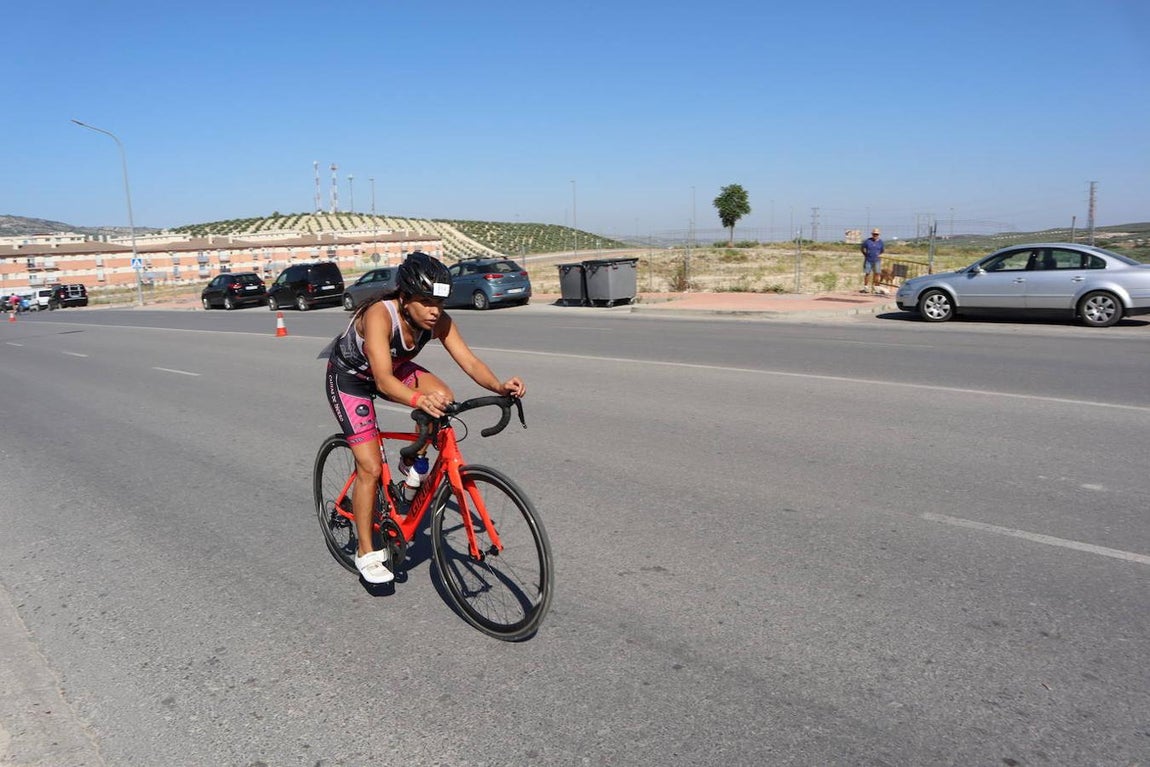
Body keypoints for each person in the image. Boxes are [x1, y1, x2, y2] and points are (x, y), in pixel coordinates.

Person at [324, 252, 527, 584]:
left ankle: (410, 464)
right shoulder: (379, 315)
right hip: (351, 379)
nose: (435, 311)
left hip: (392, 369)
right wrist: (419, 399)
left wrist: (499, 385)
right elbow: (382, 381)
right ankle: (365, 551)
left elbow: (470, 362)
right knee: (370, 467)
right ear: (405, 297)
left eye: (440, 303)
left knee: (443, 397)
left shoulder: (438, 320)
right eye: (427, 302)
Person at [860, 228, 885, 293]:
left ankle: (876, 288)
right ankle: (866, 287)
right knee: (867, 273)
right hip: (868, 260)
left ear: (879, 235)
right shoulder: (867, 241)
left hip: (877, 260)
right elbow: (862, 248)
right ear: (872, 234)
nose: (875, 235)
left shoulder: (881, 242)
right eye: (874, 234)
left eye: (876, 234)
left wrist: (879, 255)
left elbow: (882, 250)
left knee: (877, 273)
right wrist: (865, 254)